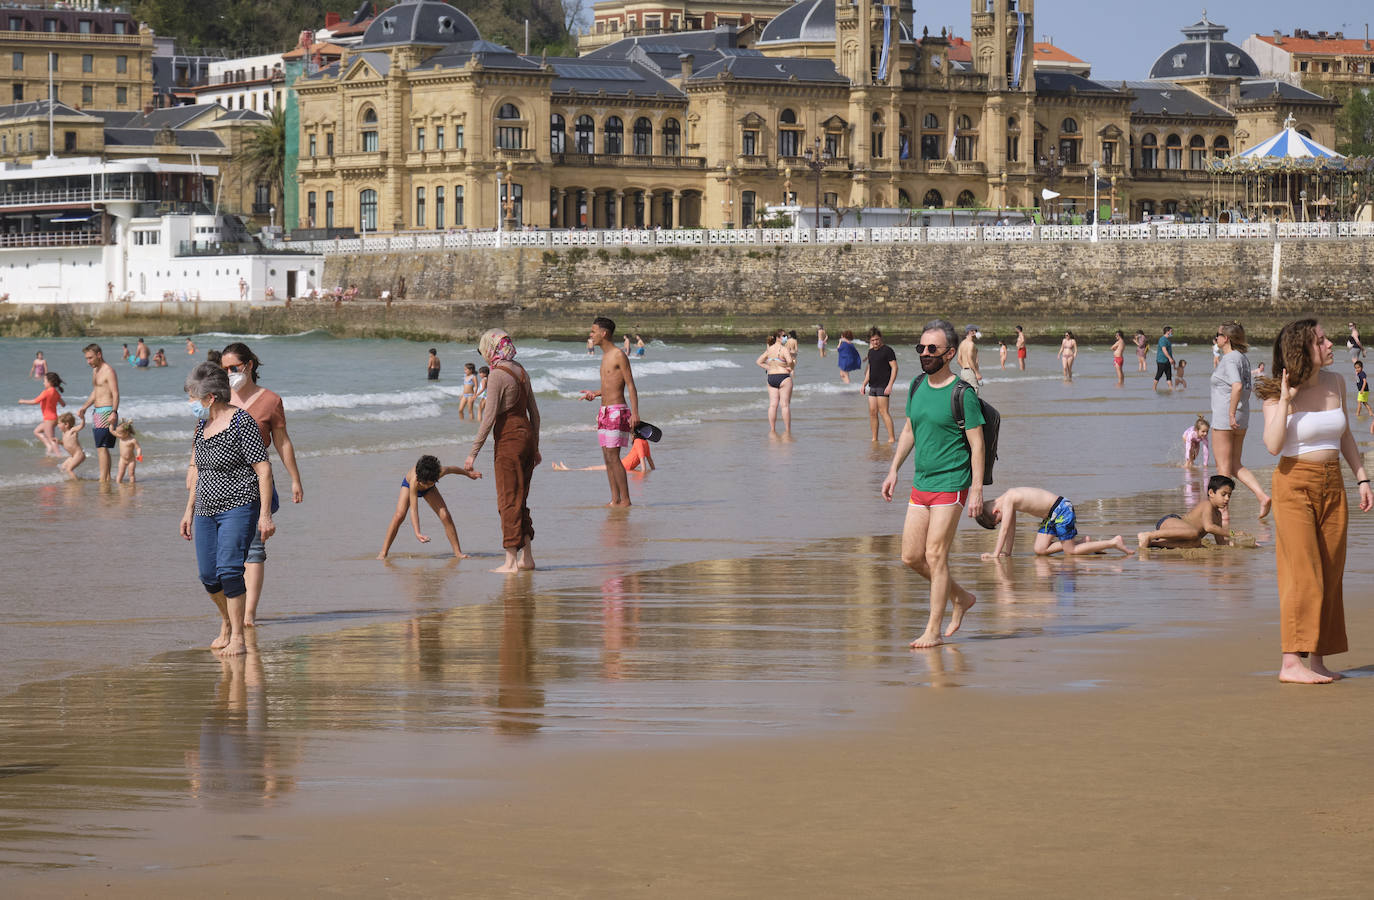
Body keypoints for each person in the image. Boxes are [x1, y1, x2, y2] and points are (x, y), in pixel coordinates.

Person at [1256, 319, 1373, 684]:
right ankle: (1291, 662)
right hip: (1294, 484)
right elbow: (1273, 445)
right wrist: (1287, 403)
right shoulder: (1278, 390)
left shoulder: (1336, 381)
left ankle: (1318, 659)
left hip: (1333, 483)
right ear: (1303, 350)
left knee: (1330, 571)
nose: (1329, 344)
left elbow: (1346, 438)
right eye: (1321, 341)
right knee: (1303, 573)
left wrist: (1363, 478)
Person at [880, 318, 984, 649]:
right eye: (921, 348)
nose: (925, 353)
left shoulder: (962, 393)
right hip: (920, 481)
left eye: (932, 348)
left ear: (949, 353)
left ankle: (933, 630)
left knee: (936, 554)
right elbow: (910, 429)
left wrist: (978, 490)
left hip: (952, 481)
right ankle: (962, 597)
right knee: (911, 557)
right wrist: (894, 468)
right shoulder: (915, 386)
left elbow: (978, 445)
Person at [179, 362, 275, 658]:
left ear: (211, 397)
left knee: (230, 571)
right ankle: (226, 621)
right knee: (209, 577)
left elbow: (263, 469)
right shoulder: (202, 425)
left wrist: (265, 514)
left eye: (193, 397)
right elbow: (200, 472)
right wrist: (188, 511)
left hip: (239, 505)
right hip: (205, 509)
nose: (190, 403)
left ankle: (238, 636)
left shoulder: (241, 422)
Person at [221, 342, 305, 628]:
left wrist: (295, 478)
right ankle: (230, 611)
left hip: (257, 481)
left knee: (254, 548)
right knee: (229, 551)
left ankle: (248, 615)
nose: (230, 373)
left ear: (249, 365)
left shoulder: (270, 401)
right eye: (225, 369)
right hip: (222, 482)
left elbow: (282, 442)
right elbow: (203, 434)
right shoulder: (221, 398)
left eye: (234, 367)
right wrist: (193, 468)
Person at [465, 328, 541, 572]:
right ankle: (526, 558)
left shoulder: (497, 374)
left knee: (508, 499)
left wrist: (472, 453)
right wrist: (536, 447)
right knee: (521, 499)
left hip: (509, 439)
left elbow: (488, 420)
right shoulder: (520, 370)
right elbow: (535, 415)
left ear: (491, 347)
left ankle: (510, 561)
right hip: (527, 436)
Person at [1210, 322, 1271, 518]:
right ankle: (1262, 496)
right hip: (1242, 415)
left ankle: (1223, 512)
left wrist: (1229, 413)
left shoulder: (1229, 359)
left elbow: (1236, 386)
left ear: (1226, 338)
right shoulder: (1243, 358)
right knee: (1235, 464)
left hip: (1226, 417)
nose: (1216, 338)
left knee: (1223, 467)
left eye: (1217, 335)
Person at [975, 487, 1133, 558]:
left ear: (996, 512)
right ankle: (1083, 542)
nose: (1001, 522)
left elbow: (1005, 530)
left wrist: (995, 554)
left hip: (1061, 509)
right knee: (1039, 549)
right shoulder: (1008, 501)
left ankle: (1113, 542)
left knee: (1070, 551)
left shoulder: (1009, 498)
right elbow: (1010, 529)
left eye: (998, 521)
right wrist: (1007, 553)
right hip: (1050, 516)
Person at [377, 455, 481, 559]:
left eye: (430, 483)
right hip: (409, 486)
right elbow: (414, 510)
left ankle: (458, 553)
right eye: (425, 484)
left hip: (430, 490)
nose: (426, 486)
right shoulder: (415, 481)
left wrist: (468, 474)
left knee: (445, 515)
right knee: (399, 516)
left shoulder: (439, 472)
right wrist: (417, 532)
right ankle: (383, 552)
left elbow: (452, 469)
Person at [1136, 474, 1233, 551]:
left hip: (1184, 536)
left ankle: (1153, 543)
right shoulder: (1207, 505)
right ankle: (1149, 535)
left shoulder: (1218, 515)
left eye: (1229, 495)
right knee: (1194, 533)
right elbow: (1209, 527)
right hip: (1171, 521)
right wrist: (1232, 534)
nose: (1227, 499)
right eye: (1223, 494)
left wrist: (1237, 543)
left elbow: (1220, 541)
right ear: (1211, 493)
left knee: (1196, 543)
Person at [75, 343, 119, 482]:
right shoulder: (95, 371)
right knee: (102, 447)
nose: (88, 361)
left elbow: (116, 393)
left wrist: (114, 412)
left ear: (99, 355)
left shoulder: (108, 371)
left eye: (90, 358)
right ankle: (106, 477)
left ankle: (103, 479)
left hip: (106, 411)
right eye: (86, 359)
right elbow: (96, 392)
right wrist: (84, 407)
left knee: (102, 447)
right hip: (97, 411)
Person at [860, 327, 898, 442]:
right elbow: (870, 370)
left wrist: (890, 385)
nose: (875, 342)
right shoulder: (871, 352)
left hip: (883, 385)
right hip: (873, 385)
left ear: (880, 338)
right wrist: (863, 384)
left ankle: (891, 438)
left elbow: (895, 368)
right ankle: (874, 438)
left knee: (883, 411)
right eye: (872, 340)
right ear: (870, 341)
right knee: (872, 412)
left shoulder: (888, 350)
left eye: (877, 339)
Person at [757, 332, 796, 438]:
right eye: (783, 336)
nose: (786, 338)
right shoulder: (784, 349)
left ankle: (772, 429)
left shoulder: (769, 349)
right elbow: (789, 361)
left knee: (773, 405)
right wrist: (791, 366)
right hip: (783, 377)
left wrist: (769, 368)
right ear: (778, 338)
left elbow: (759, 361)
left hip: (771, 378)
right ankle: (787, 430)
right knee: (785, 405)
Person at [19, 371, 65, 456]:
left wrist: (23, 401)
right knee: (37, 431)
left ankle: (59, 456)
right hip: (54, 418)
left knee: (52, 439)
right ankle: (48, 446)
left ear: (50, 382)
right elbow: (63, 404)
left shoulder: (46, 392)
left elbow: (35, 401)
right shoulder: (55, 392)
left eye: (44, 381)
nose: (43, 383)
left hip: (49, 419)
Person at [553, 437, 654, 472]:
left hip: (622, 466)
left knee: (592, 468)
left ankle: (567, 470)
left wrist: (643, 473)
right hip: (624, 465)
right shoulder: (645, 442)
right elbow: (650, 461)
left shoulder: (638, 442)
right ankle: (567, 469)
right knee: (594, 468)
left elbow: (643, 463)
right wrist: (653, 471)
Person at [56, 412, 85, 477]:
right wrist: (59, 442)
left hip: (79, 455)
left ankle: (76, 484)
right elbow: (65, 443)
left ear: (66, 424)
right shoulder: (64, 433)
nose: (57, 425)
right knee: (62, 468)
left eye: (59, 423)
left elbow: (81, 426)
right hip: (73, 456)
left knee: (69, 469)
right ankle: (71, 479)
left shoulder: (72, 431)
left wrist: (83, 419)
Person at [957, 325, 983, 390]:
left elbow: (959, 360)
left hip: (963, 372)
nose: (977, 333)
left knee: (965, 394)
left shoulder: (962, 343)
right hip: (970, 372)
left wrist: (965, 368)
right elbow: (969, 359)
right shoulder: (971, 344)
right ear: (971, 332)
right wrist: (977, 373)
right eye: (976, 331)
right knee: (973, 393)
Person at [1154, 326, 1176, 391]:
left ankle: (1171, 389)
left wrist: (1172, 359)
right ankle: (1154, 388)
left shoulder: (1168, 340)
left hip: (1167, 360)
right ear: (1167, 332)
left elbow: (1169, 351)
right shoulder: (1162, 339)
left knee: (1169, 376)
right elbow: (1164, 350)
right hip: (1161, 360)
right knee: (1159, 374)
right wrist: (1170, 358)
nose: (1172, 332)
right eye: (1171, 331)